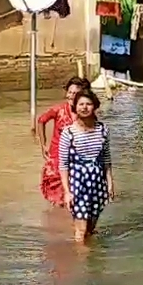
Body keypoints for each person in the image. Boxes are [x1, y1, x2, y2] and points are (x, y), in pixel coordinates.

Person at [58, 88, 116, 242]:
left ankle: (93, 262)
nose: (84, 107)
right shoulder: (68, 132)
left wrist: (110, 183)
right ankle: (81, 264)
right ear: (75, 107)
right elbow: (63, 165)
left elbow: (106, 159)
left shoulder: (103, 130)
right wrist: (67, 192)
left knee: (90, 229)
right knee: (81, 230)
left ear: (95, 106)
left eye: (88, 104)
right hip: (78, 185)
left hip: (98, 184)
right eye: (81, 104)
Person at [34, 77, 90, 208]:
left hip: (77, 159)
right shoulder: (59, 110)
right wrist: (43, 145)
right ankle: (58, 220)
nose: (70, 96)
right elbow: (41, 120)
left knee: (77, 193)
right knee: (58, 195)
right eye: (69, 92)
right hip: (57, 158)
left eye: (74, 93)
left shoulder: (84, 112)